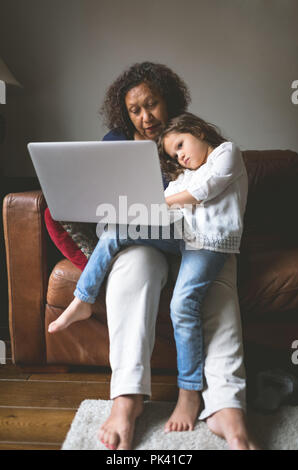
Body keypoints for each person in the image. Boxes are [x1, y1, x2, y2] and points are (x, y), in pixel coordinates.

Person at [48, 62, 259, 450]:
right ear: (123, 113)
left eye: (153, 104)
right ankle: (126, 399)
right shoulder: (115, 143)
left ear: (170, 102)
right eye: (135, 110)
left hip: (200, 239)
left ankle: (227, 404)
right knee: (133, 267)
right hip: (147, 240)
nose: (146, 117)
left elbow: (212, 192)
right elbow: (104, 206)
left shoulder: (191, 143)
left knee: (219, 284)